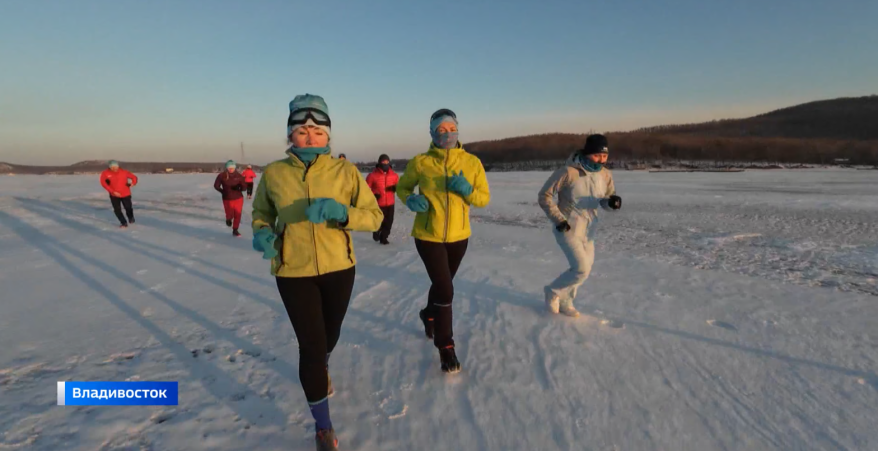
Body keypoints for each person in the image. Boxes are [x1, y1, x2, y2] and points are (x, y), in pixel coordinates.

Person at [250, 94, 382, 451]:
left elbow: (374, 217)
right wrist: (262, 233)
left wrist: (342, 212)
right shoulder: (274, 173)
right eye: (302, 130)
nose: (310, 136)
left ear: (328, 135)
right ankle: (323, 427)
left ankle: (322, 363)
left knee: (329, 336)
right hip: (293, 271)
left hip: (339, 268)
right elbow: (261, 213)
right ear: (290, 135)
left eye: (317, 130)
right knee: (310, 346)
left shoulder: (346, 172)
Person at [396, 108, 490, 373]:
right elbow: (402, 188)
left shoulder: (472, 163)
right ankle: (445, 346)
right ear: (432, 133)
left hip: (459, 237)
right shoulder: (422, 162)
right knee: (446, 289)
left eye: (450, 129)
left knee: (443, 285)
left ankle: (428, 313)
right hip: (428, 236)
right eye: (440, 130)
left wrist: (467, 191)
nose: (446, 134)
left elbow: (483, 198)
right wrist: (411, 200)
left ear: (458, 130)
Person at [538, 134, 622, 317]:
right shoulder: (568, 172)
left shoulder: (605, 174)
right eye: (597, 155)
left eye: (604, 156)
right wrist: (558, 219)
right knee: (581, 268)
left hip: (589, 230)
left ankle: (567, 300)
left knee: (584, 270)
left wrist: (611, 203)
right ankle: (553, 292)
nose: (601, 160)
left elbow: (604, 200)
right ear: (586, 153)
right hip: (567, 227)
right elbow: (544, 196)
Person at [365, 154, 399, 245]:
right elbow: (365, 190)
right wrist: (374, 195)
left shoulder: (394, 175)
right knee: (379, 221)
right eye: (383, 162)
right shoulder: (372, 175)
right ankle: (376, 231)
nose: (385, 163)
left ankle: (384, 238)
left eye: (387, 162)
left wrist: (395, 188)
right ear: (379, 162)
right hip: (378, 203)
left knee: (389, 222)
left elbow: (399, 186)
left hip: (390, 203)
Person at [99, 160, 138, 228]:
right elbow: (103, 183)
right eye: (113, 167)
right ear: (110, 167)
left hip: (125, 193)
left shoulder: (124, 172)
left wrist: (133, 183)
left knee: (128, 207)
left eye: (116, 167)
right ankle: (123, 223)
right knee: (117, 210)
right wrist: (112, 191)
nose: (115, 168)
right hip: (114, 195)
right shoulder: (105, 173)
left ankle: (131, 218)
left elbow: (134, 177)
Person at [214, 160, 246, 237]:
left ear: (235, 168)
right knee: (229, 213)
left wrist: (239, 188)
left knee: (237, 214)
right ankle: (228, 218)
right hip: (227, 198)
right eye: (229, 168)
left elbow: (244, 187)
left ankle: (235, 230)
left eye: (232, 167)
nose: (231, 169)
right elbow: (216, 186)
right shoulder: (222, 176)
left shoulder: (239, 176)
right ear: (226, 168)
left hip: (238, 198)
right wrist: (222, 191)